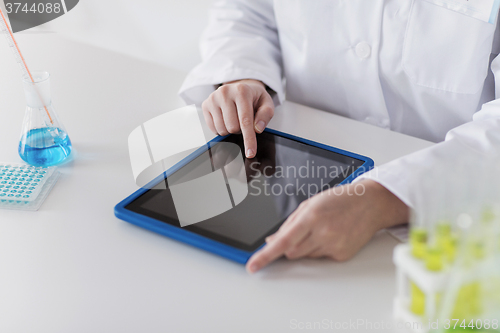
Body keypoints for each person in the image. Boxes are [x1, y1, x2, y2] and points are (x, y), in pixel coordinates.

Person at [178, 0, 500, 273]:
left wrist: (385, 200)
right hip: (292, 179)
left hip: (450, 221)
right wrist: (244, 75)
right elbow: (247, 12)